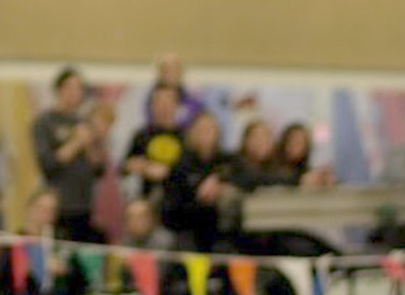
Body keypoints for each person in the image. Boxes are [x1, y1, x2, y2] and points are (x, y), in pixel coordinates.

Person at [31, 67, 109, 243]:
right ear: (59, 90)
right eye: (71, 87)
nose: (76, 93)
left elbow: (99, 169)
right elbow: (48, 164)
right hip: (57, 208)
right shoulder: (46, 122)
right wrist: (76, 143)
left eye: (79, 88)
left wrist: (90, 144)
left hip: (84, 206)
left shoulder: (85, 122)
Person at [0, 188, 88, 295]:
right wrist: (27, 272)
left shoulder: (61, 244)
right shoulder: (11, 244)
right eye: (41, 208)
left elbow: (82, 286)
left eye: (51, 210)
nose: (45, 214)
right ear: (29, 209)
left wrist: (67, 272)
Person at [160, 111, 233, 252]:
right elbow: (171, 207)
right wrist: (199, 196)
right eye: (201, 130)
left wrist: (218, 180)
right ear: (192, 133)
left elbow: (244, 179)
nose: (205, 134)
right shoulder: (181, 165)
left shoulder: (228, 160)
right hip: (188, 226)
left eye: (210, 129)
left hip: (222, 230)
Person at [124, 84, 185, 199]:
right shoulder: (142, 135)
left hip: (178, 200)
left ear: (176, 105)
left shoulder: (186, 136)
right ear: (151, 106)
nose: (163, 107)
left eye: (167, 102)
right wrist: (141, 167)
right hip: (146, 196)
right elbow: (125, 166)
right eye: (158, 102)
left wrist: (168, 172)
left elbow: (191, 168)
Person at [226, 119, 291, 192]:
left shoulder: (281, 167)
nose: (261, 142)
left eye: (266, 137)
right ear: (246, 141)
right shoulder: (233, 165)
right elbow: (247, 181)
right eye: (256, 137)